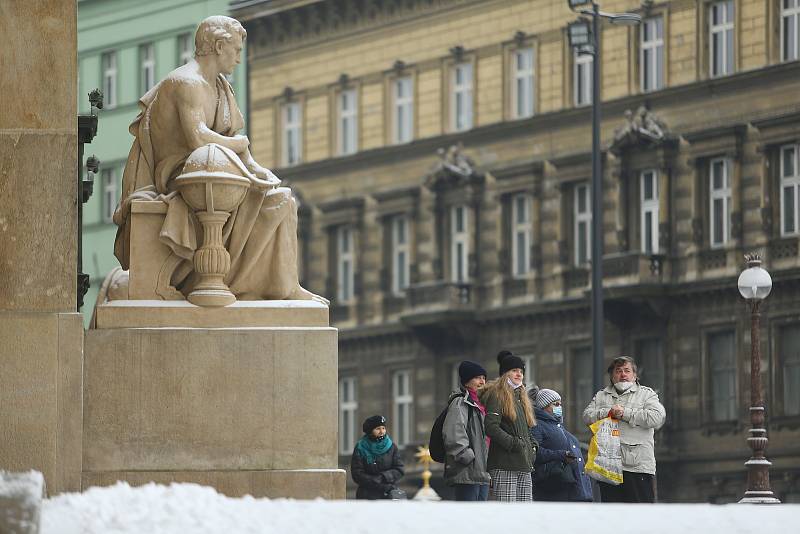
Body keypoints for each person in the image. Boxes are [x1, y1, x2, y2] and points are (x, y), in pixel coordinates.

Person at [113, 15, 323, 302]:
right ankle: (224, 278)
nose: (238, 58)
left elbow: (236, 147)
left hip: (216, 173)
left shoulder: (221, 86)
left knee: (284, 200)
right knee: (260, 200)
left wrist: (256, 171)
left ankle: (283, 285)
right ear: (219, 46)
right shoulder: (185, 82)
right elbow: (198, 137)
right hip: (181, 181)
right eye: (236, 50)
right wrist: (240, 144)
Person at [583, 356, 666, 503]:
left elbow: (657, 418)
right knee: (612, 517)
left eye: (627, 371)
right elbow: (587, 417)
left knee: (639, 514)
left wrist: (625, 413)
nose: (623, 374)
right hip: (607, 467)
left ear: (635, 375)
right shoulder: (602, 395)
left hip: (637, 467)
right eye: (618, 371)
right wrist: (608, 412)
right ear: (612, 375)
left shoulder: (646, 394)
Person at [479, 350, 537, 501]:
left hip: (523, 463)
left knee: (524, 514)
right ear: (505, 373)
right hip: (504, 464)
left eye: (521, 371)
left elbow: (527, 428)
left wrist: (533, 446)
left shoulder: (521, 397)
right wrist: (513, 443)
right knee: (508, 512)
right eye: (514, 371)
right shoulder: (497, 395)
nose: (519, 374)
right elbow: (491, 426)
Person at [530, 388, 593, 502]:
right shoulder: (538, 426)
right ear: (544, 406)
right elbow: (535, 452)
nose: (559, 407)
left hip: (574, 490)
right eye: (555, 404)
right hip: (554, 488)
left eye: (560, 404)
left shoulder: (559, 427)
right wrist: (560, 455)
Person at [442, 360, 490, 501]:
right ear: (467, 382)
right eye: (477, 378)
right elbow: (453, 433)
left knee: (481, 519)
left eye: (483, 378)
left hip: (483, 473)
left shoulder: (483, 405)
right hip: (468, 473)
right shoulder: (460, 403)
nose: (482, 382)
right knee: (468, 518)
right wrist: (467, 456)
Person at [350, 415, 405, 500]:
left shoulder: (392, 446)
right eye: (378, 429)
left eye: (383, 428)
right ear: (370, 431)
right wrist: (373, 481)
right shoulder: (360, 448)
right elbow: (357, 473)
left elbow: (399, 469)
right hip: (367, 495)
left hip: (388, 493)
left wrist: (383, 477)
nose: (382, 431)